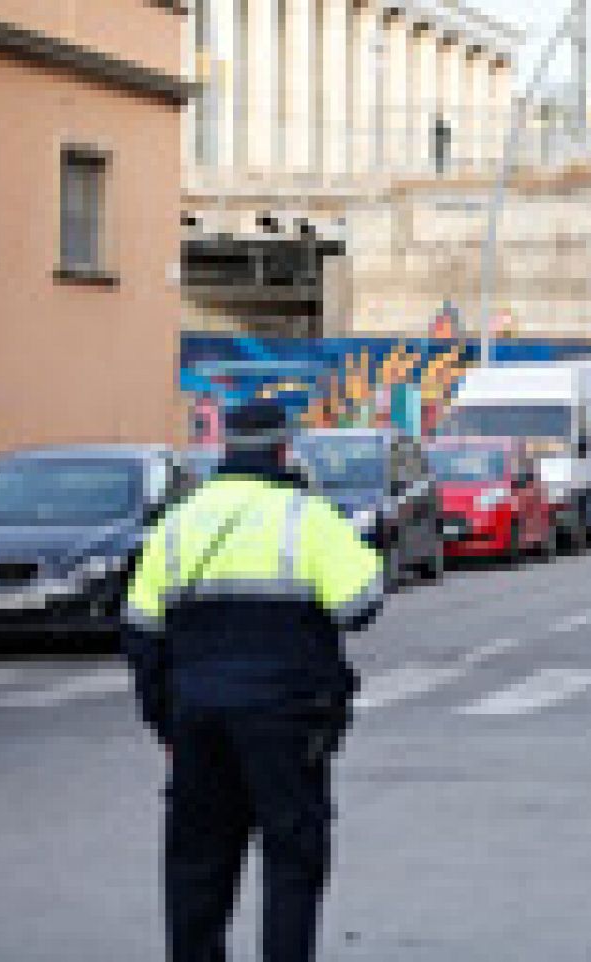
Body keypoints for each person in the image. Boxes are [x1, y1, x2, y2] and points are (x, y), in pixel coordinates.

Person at [122, 400, 386, 962]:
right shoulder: (307, 517)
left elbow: (142, 633)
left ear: (227, 450)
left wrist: (165, 722)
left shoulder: (177, 522)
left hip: (195, 718)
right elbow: (359, 604)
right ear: (285, 450)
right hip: (287, 721)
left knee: (197, 866)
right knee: (291, 862)